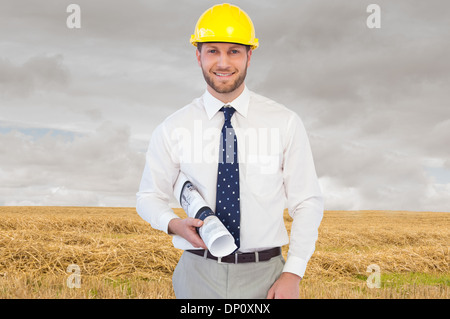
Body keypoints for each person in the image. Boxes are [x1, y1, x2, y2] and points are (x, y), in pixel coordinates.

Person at [136, 3, 323, 299]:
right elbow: (148, 196)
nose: (223, 62)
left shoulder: (285, 122)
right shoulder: (173, 127)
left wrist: (293, 273)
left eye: (234, 51)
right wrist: (172, 224)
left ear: (250, 55)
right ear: (198, 56)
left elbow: (307, 202)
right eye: (213, 51)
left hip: (267, 276)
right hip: (197, 273)